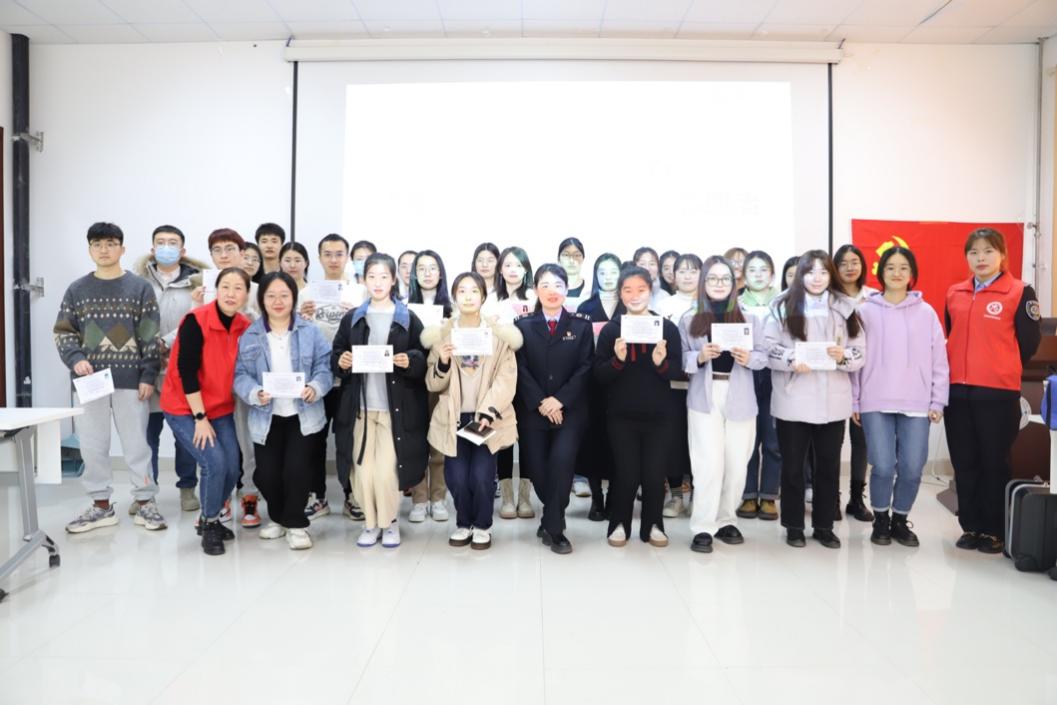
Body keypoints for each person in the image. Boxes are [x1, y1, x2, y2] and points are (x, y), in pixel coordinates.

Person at [57, 222, 165, 534]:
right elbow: (64, 332)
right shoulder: (77, 290)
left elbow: (149, 335)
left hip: (131, 380)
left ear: (122, 248)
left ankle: (145, 502)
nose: (104, 250)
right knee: (92, 445)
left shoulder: (139, 288)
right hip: (90, 381)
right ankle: (101, 506)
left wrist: (148, 375)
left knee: (137, 445)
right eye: (97, 244)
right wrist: (76, 360)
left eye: (110, 243)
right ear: (90, 249)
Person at [944, 228, 1041, 554]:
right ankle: (970, 525)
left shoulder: (1019, 291)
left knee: (994, 462)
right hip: (958, 392)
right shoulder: (955, 292)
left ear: (1002, 255)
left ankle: (994, 529)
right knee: (964, 461)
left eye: (988, 251)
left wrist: (1000, 365)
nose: (981, 258)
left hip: (998, 393)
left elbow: (1029, 343)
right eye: (974, 252)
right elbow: (952, 334)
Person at [764, 250, 865, 549]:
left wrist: (843, 356)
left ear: (831, 275)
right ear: (800, 275)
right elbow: (768, 348)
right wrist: (791, 358)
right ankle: (794, 526)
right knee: (793, 468)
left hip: (832, 402)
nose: (817, 278)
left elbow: (860, 352)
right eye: (810, 272)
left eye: (823, 272)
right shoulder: (781, 306)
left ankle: (824, 526)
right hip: (793, 399)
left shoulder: (846, 307)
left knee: (829, 467)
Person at [852, 247, 948, 547]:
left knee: (912, 467)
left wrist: (937, 400)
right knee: (882, 465)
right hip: (875, 400)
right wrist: (855, 400)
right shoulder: (865, 311)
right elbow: (855, 358)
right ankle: (881, 519)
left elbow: (939, 360)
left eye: (903, 267)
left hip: (917, 402)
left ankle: (900, 519)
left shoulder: (926, 313)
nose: (897, 273)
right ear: (881, 272)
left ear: (912, 274)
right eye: (890, 267)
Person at [332, 253, 428, 548]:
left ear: (393, 279)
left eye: (384, 276)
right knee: (363, 472)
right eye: (371, 276)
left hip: (393, 409)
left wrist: (409, 360)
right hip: (359, 408)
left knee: (387, 472)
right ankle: (371, 524)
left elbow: (423, 358)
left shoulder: (407, 318)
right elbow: (335, 355)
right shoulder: (352, 318)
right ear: (363, 279)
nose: (377, 282)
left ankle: (390, 522)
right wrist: (342, 361)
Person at [423, 272, 522, 549]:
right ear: (454, 296)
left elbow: (506, 377)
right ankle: (463, 523)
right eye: (462, 291)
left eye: (474, 291)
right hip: (453, 416)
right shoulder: (442, 335)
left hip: (485, 417)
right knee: (455, 476)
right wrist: (443, 361)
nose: (468, 297)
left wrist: (489, 410)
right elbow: (432, 383)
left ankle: (482, 525)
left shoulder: (498, 334)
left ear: (483, 296)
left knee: (481, 475)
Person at [234, 272, 333, 550]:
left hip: (303, 414)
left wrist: (315, 387)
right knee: (266, 474)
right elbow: (240, 375)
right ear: (261, 300)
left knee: (297, 471)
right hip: (266, 415)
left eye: (284, 295)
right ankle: (279, 517)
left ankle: (296, 524)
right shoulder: (250, 334)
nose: (278, 301)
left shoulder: (310, 331)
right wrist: (255, 392)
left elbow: (325, 367)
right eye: (271, 296)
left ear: (294, 298)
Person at [161, 267, 252, 555]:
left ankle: (208, 516)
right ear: (216, 289)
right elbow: (186, 371)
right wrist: (200, 418)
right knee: (214, 462)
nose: (231, 293)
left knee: (233, 467)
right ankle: (211, 522)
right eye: (226, 286)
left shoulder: (244, 325)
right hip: (185, 407)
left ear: (246, 294)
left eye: (238, 288)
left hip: (220, 406)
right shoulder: (196, 320)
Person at [680, 256, 766, 553]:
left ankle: (727, 519)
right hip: (705, 396)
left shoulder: (750, 319)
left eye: (725, 279)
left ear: (734, 283)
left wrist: (750, 358)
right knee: (708, 464)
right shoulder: (689, 319)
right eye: (713, 278)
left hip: (740, 394)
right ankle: (703, 526)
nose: (719, 284)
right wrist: (700, 356)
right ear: (704, 282)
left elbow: (763, 357)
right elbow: (681, 359)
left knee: (737, 464)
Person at [594, 265, 682, 548]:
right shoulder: (612, 330)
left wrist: (661, 363)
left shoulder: (666, 328)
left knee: (655, 475)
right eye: (628, 290)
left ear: (650, 291)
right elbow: (599, 375)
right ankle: (619, 524)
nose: (634, 296)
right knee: (626, 474)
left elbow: (678, 372)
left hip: (660, 416)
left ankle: (653, 525)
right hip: (621, 416)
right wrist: (617, 360)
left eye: (641, 290)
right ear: (620, 294)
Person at [515, 264, 594, 553]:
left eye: (558, 285)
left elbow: (585, 367)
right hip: (533, 411)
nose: (552, 291)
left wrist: (559, 400)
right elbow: (519, 368)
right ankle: (552, 513)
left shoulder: (581, 326)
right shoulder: (522, 326)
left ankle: (555, 528)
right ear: (536, 290)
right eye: (545, 285)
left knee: (561, 464)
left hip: (569, 411)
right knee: (537, 471)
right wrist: (541, 402)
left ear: (567, 290)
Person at [192, 229, 262, 527]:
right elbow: (192, 334)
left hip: (245, 377)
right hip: (211, 380)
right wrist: (196, 306)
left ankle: (249, 497)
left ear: (242, 253)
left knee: (246, 442)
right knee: (211, 442)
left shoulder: (257, 290)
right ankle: (217, 499)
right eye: (217, 250)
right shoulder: (201, 289)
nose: (223, 255)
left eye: (230, 249)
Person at [135, 224, 205, 514]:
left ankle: (187, 488)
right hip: (146, 371)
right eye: (160, 242)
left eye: (172, 242)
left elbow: (197, 318)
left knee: (184, 437)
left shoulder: (196, 283)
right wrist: (151, 350)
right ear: (152, 249)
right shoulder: (137, 282)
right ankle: (146, 492)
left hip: (181, 369)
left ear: (182, 250)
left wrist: (167, 343)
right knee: (146, 436)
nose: (166, 247)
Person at [299, 234, 366, 522]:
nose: (334, 259)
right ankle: (317, 496)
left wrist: (358, 316)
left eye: (339, 254)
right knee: (313, 439)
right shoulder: (306, 293)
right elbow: (294, 333)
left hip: (349, 379)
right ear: (319, 258)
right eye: (328, 254)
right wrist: (301, 317)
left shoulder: (360, 292)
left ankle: (352, 495)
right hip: (316, 378)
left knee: (349, 440)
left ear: (347, 257)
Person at [485, 246, 537, 519]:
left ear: (526, 269)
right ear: (500, 269)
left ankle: (525, 497)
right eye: (508, 265)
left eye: (518, 265)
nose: (513, 270)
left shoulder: (536, 297)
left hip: (530, 374)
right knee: (503, 433)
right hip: (500, 374)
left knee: (527, 435)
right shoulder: (490, 299)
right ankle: (506, 497)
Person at [833, 243, 879, 522]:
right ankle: (832, 496)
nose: (850, 268)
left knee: (861, 440)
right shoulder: (828, 298)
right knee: (832, 440)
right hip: (836, 374)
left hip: (867, 374)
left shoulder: (874, 298)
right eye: (843, 263)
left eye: (855, 262)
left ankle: (856, 498)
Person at [407, 250, 453, 523]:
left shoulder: (451, 310)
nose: (427, 273)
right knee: (414, 441)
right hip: (411, 382)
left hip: (440, 381)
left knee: (439, 440)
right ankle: (419, 499)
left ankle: (438, 498)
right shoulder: (403, 308)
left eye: (432, 268)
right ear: (413, 274)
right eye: (421, 268)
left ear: (440, 273)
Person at [576, 253, 623, 520]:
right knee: (593, 441)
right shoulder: (586, 306)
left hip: (623, 383)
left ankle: (615, 496)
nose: (608, 277)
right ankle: (596, 498)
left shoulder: (629, 307)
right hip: (592, 384)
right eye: (602, 272)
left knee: (619, 441)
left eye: (613, 271)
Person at [736, 250, 782, 521]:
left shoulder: (784, 302)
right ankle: (748, 495)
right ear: (744, 275)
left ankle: (769, 496)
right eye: (752, 270)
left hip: (776, 375)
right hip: (746, 373)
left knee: (773, 440)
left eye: (763, 269)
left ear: (772, 275)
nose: (758, 275)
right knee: (748, 438)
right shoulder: (736, 304)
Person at [657, 253, 701, 518]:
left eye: (693, 271)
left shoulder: (709, 305)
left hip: (701, 385)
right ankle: (675, 496)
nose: (687, 276)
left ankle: (698, 493)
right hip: (670, 385)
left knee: (700, 442)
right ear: (673, 276)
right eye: (682, 271)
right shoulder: (663, 306)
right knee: (672, 441)